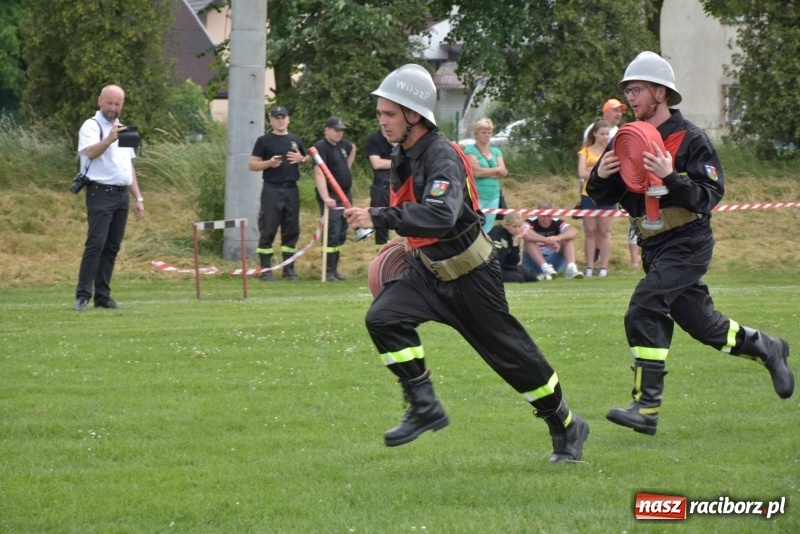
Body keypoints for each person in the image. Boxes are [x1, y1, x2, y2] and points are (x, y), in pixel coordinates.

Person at [344, 64, 588, 463]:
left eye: (389, 114)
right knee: (382, 318)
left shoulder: (442, 156)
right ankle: (424, 405)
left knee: (513, 361)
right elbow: (413, 213)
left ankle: (565, 424)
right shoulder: (400, 153)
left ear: (414, 115)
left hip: (473, 276)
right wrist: (385, 227)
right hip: (428, 272)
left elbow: (440, 216)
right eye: (380, 113)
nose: (381, 121)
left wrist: (380, 218)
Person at [587, 51, 793, 436]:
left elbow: (709, 196)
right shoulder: (627, 139)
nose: (630, 98)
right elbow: (601, 196)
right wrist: (599, 174)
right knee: (705, 327)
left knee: (644, 307)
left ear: (661, 93)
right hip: (654, 247)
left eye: (638, 90)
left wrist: (672, 176)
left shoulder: (692, 138)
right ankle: (767, 347)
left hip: (689, 240)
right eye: (628, 91)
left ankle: (646, 408)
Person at [73, 84, 144, 311]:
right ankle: (83, 296)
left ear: (123, 104)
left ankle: (102, 296)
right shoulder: (91, 126)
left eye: (117, 104)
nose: (113, 108)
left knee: (112, 247)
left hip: (122, 194)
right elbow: (89, 153)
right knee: (95, 244)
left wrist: (138, 198)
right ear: (99, 101)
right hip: (100, 192)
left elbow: (128, 166)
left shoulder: (126, 128)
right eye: (109, 103)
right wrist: (109, 139)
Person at [249, 105, 309, 281]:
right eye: (277, 118)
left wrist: (302, 159)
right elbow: (252, 165)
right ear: (271, 120)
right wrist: (268, 163)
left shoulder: (295, 139)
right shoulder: (264, 140)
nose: (280, 120)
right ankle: (266, 269)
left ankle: (288, 269)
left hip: (291, 188)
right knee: (268, 227)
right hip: (272, 189)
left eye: (283, 117)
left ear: (288, 119)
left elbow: (306, 159)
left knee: (291, 229)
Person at [313, 116, 356, 281]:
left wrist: (347, 167)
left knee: (342, 233)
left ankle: (335, 269)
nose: (339, 133)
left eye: (341, 130)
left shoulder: (343, 145)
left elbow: (354, 148)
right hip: (331, 196)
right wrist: (325, 197)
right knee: (332, 231)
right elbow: (318, 172)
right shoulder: (321, 147)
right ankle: (328, 271)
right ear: (327, 130)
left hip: (345, 195)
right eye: (336, 130)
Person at [578, 119, 614, 277]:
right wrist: (600, 172)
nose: (605, 137)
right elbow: (581, 173)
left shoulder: (612, 151)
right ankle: (590, 267)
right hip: (588, 195)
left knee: (604, 231)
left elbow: (614, 173)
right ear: (594, 133)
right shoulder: (585, 151)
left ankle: (604, 268)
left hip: (608, 194)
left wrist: (593, 171)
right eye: (602, 134)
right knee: (590, 231)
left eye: (607, 134)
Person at [462, 118, 508, 232]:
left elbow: (503, 172)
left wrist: (486, 171)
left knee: (488, 227)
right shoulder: (470, 150)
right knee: (475, 226)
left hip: (494, 194)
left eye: (489, 133)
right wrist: (496, 170)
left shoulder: (496, 151)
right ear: (476, 134)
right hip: (477, 195)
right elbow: (477, 173)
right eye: (483, 132)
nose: (487, 135)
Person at [521, 203, 584, 280]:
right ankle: (545, 268)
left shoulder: (557, 222)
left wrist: (558, 237)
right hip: (532, 262)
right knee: (530, 240)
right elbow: (525, 232)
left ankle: (571, 268)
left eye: (549, 216)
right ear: (537, 214)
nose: (546, 220)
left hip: (552, 263)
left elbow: (573, 231)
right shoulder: (529, 222)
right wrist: (546, 240)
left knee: (567, 239)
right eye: (543, 216)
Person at [488, 212, 540, 283]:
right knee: (519, 278)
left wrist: (515, 244)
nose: (518, 229)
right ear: (506, 225)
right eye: (514, 226)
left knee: (531, 275)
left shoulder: (514, 236)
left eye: (519, 226)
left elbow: (513, 262)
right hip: (494, 268)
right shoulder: (497, 232)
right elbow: (495, 257)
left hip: (507, 266)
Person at [366, 128, 395, 251]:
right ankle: (381, 253)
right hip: (381, 187)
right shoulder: (374, 139)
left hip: (398, 186)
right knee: (381, 222)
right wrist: (400, 161)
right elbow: (376, 164)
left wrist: (394, 144)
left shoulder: (399, 138)